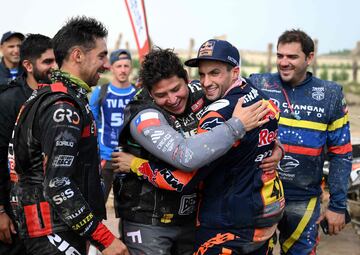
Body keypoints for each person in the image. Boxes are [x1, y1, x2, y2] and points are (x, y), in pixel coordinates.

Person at [112, 45, 284, 254]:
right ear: (150, 93)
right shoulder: (143, 114)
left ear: (186, 78)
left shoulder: (203, 90)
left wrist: (275, 148)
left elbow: (261, 113)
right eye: (161, 94)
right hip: (149, 220)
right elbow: (186, 157)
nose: (173, 99)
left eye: (176, 89)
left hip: (190, 217)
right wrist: (237, 125)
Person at [8, 17, 128, 255]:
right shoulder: (63, 107)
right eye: (101, 56)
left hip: (58, 226)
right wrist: (105, 239)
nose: (106, 65)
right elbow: (57, 185)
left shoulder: (53, 95)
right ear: (78, 55)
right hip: (53, 228)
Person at [249, 29, 352, 254]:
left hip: (304, 200)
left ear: (310, 57)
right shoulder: (258, 84)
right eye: (280, 56)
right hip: (259, 194)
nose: (284, 62)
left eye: (292, 57)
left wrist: (337, 205)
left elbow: (342, 154)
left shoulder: (330, 94)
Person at [0, 33, 56, 255]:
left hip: (52, 210)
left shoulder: (59, 97)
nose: (54, 67)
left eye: (55, 61)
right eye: (47, 62)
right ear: (28, 65)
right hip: (15, 212)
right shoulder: (8, 100)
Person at [89, 49, 136, 202]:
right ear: (112, 67)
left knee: (130, 208)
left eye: (126, 66)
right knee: (97, 204)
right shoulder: (101, 92)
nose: (123, 70)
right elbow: (91, 122)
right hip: (106, 156)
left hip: (130, 157)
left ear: (131, 68)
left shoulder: (138, 93)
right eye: (119, 66)